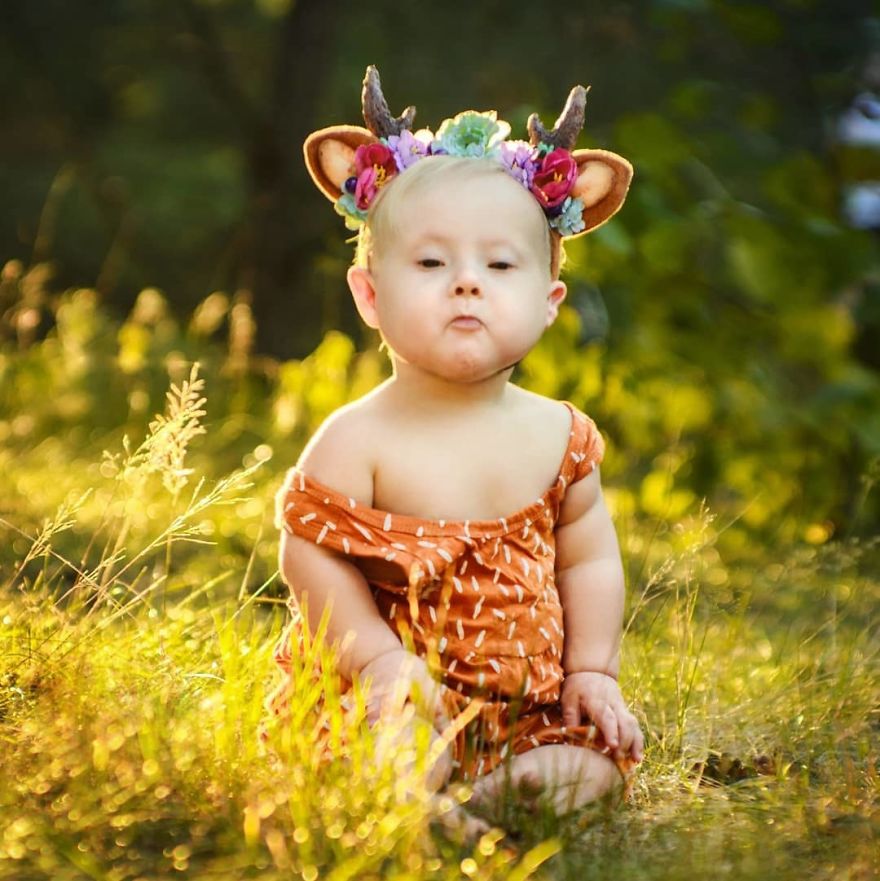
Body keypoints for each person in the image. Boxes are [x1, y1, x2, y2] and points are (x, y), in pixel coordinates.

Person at [264, 65, 644, 835]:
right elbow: (308, 556)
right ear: (370, 295)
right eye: (432, 264)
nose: (466, 284)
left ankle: (472, 809)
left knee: (594, 765)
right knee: (387, 741)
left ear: (547, 303)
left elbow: (589, 559)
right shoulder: (359, 438)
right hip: (392, 692)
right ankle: (413, 797)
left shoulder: (560, 436)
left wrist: (593, 670)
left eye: (500, 265)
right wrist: (374, 658)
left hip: (528, 709)